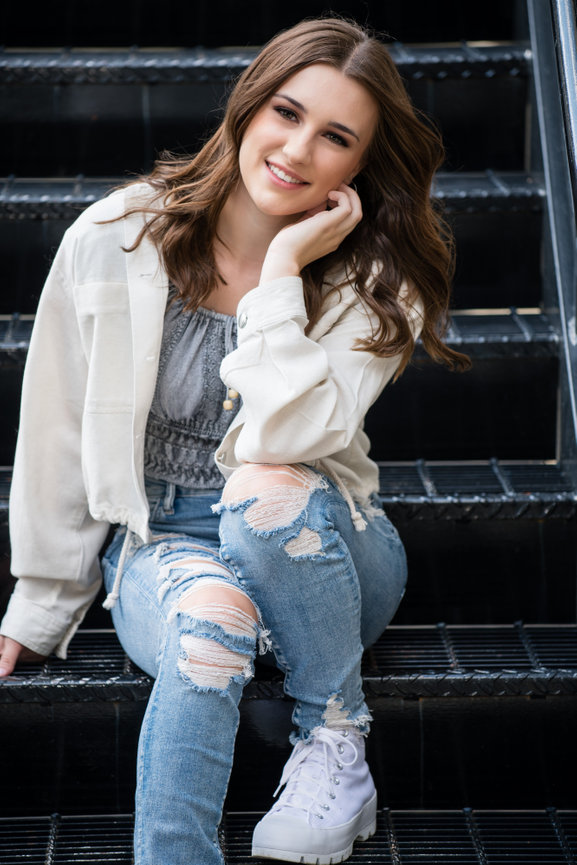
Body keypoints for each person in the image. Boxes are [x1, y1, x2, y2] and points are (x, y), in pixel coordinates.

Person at [0, 16, 469, 865]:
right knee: (209, 624)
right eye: (286, 113)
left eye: (335, 137)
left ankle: (333, 737)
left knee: (264, 484)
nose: (296, 149)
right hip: (166, 541)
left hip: (327, 547)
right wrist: (42, 601)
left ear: (359, 166)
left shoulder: (374, 280)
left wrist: (283, 272)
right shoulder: (114, 238)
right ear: (248, 107)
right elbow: (56, 425)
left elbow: (282, 435)